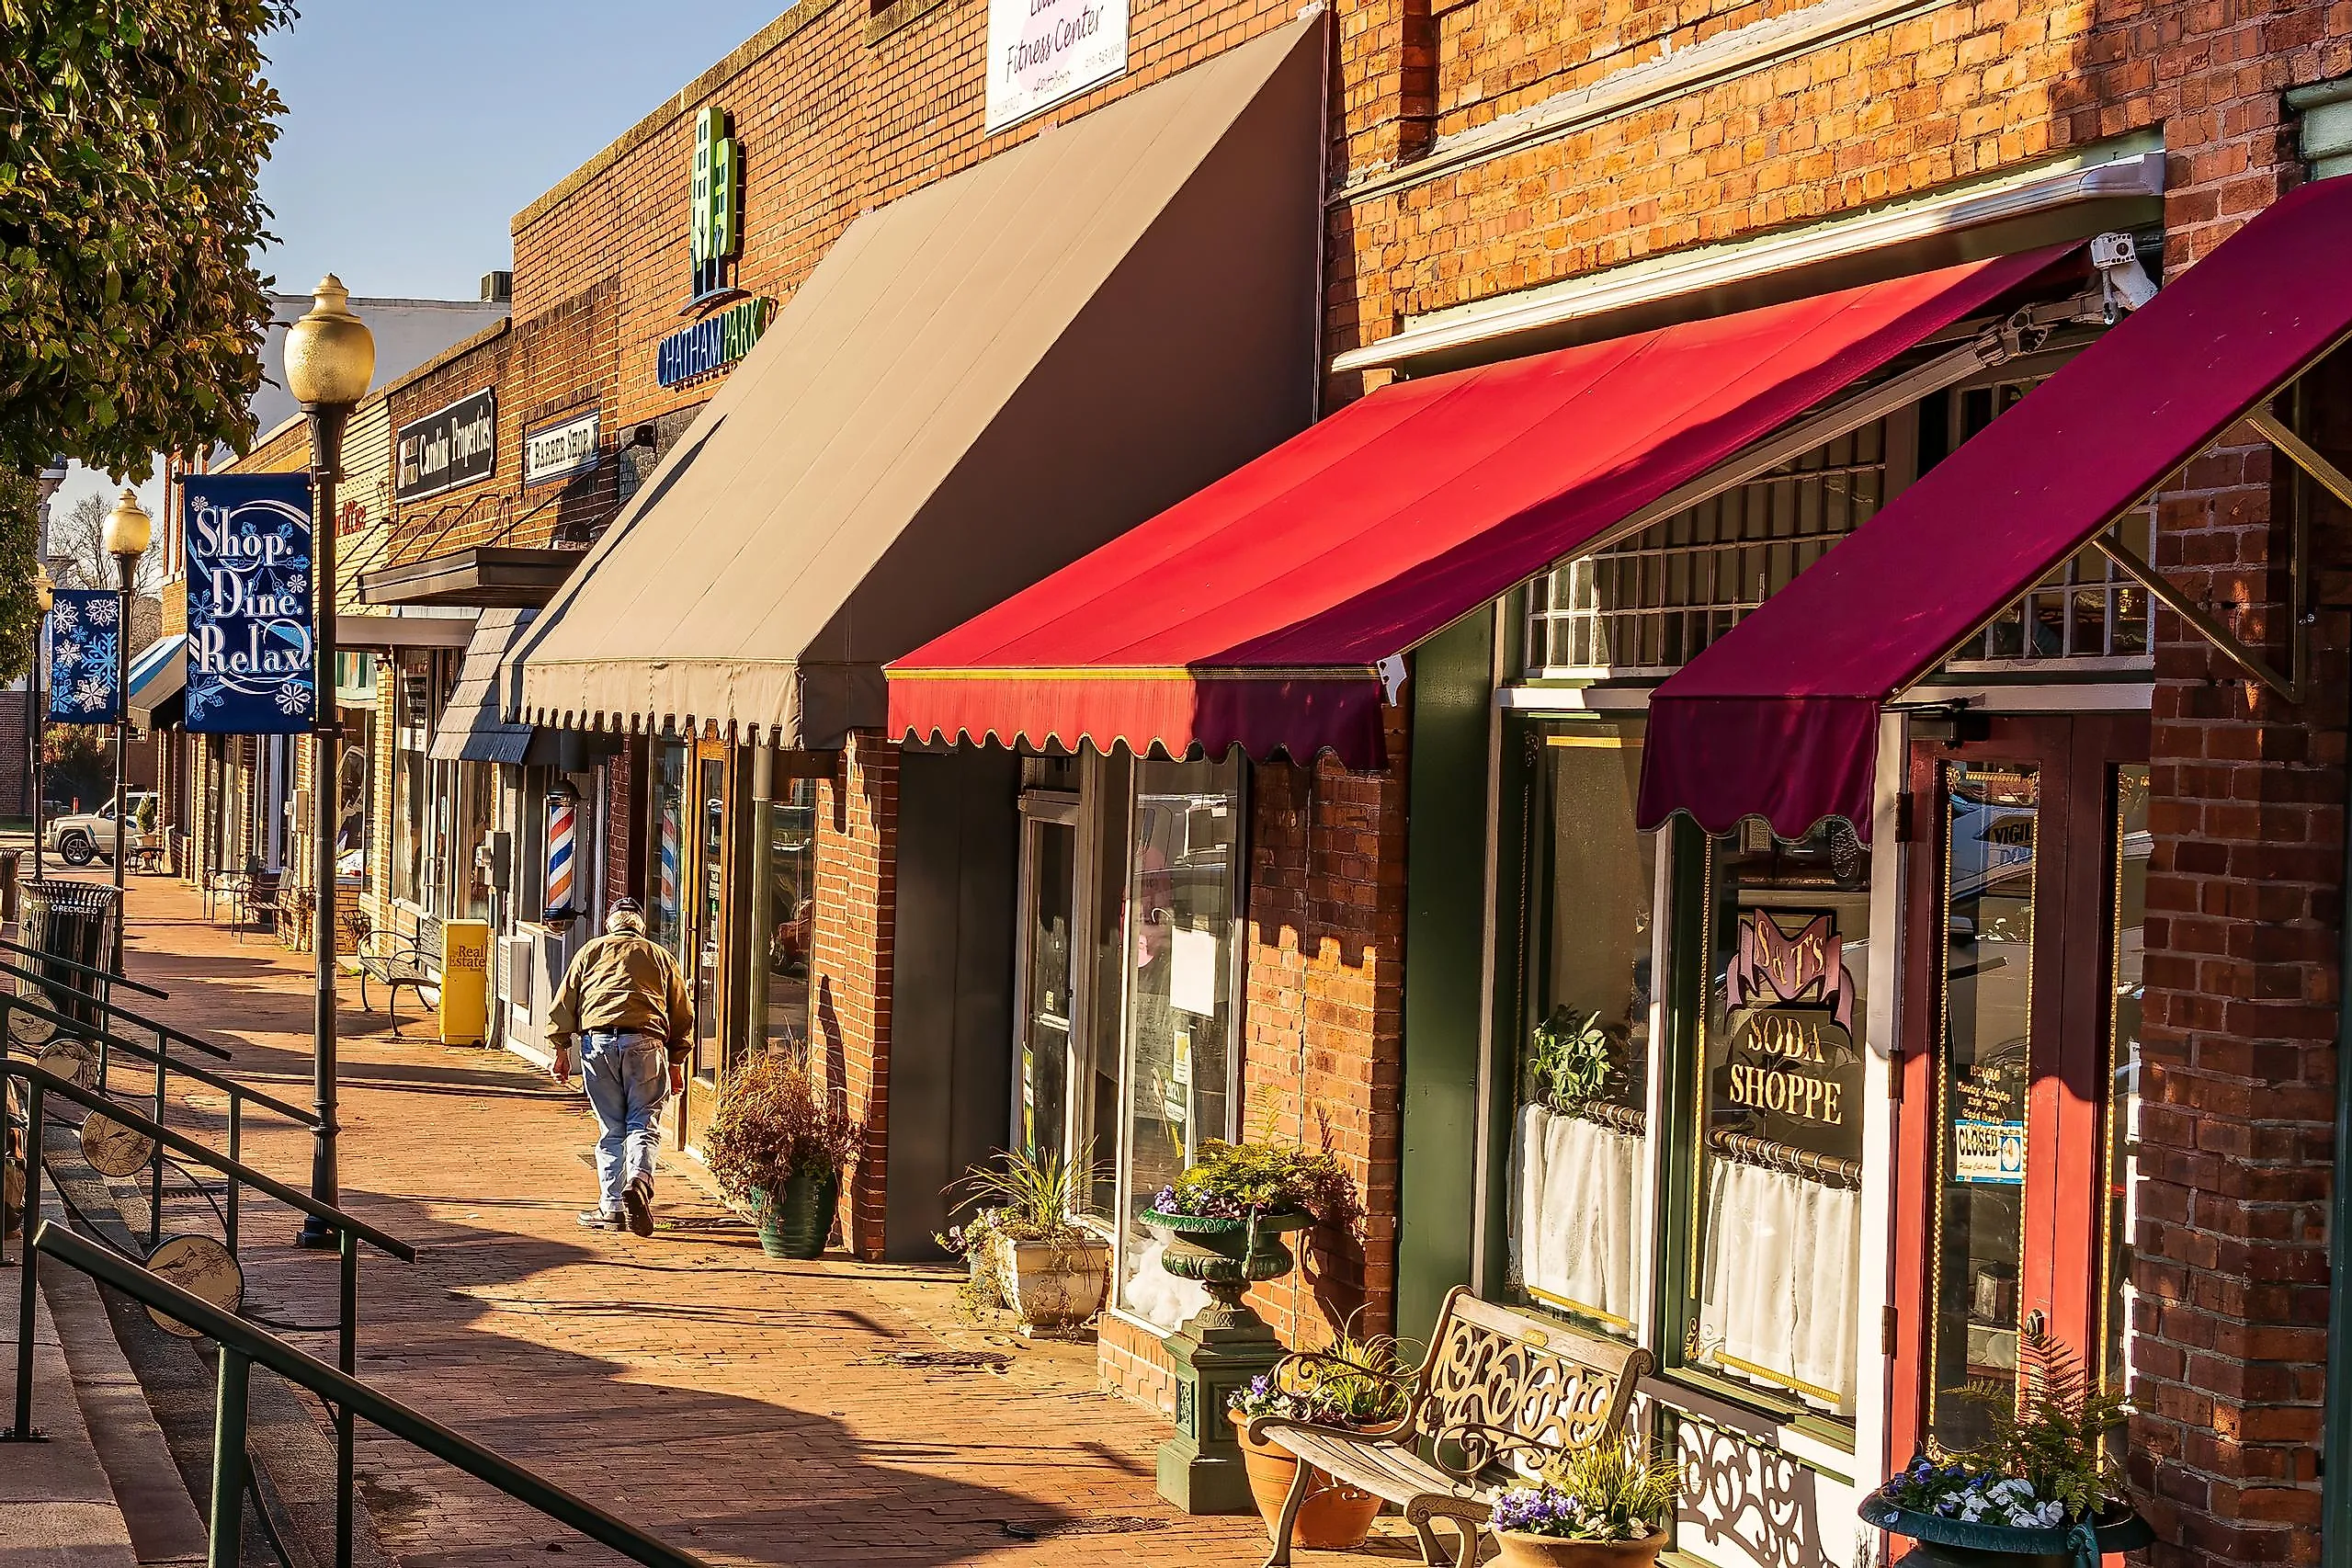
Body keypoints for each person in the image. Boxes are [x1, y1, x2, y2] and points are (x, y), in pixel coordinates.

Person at [547, 897, 695, 1235]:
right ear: (640, 928)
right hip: (645, 1042)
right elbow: (682, 1015)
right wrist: (676, 1063)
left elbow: (564, 1004)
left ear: (609, 925)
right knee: (643, 1120)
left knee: (611, 1127)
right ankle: (639, 1181)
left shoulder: (590, 951)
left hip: (597, 1043)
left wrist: (561, 1051)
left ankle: (611, 1208)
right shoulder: (661, 957)